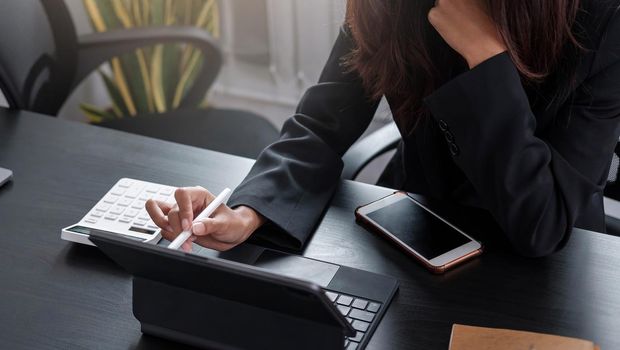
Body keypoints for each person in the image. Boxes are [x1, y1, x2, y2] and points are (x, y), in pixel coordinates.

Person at [146, 0, 620, 257]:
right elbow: (322, 120)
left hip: (557, 265)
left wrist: (487, 59)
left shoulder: (603, 21)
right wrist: (248, 212)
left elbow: (541, 227)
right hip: (417, 230)